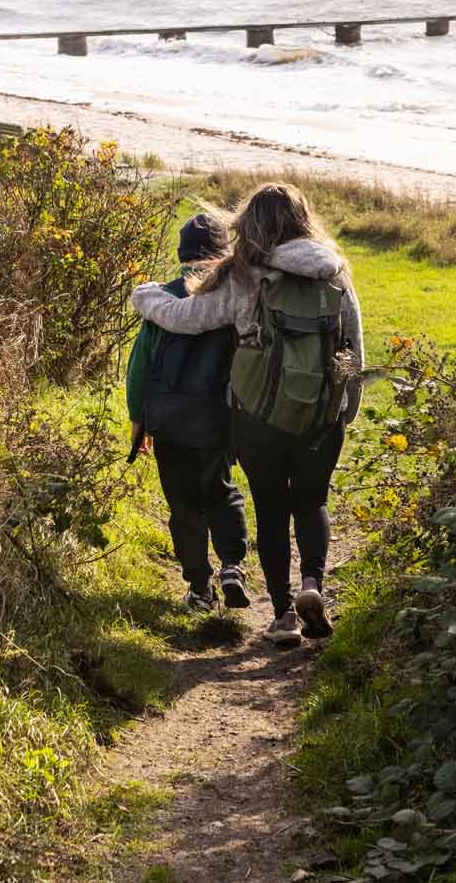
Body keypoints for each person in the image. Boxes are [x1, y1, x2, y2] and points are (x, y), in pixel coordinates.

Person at [129, 183, 364, 648]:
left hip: (257, 417)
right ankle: (312, 584)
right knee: (313, 502)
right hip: (320, 414)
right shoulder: (335, 272)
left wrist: (145, 296)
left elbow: (187, 317)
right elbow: (352, 347)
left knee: (272, 509)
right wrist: (344, 407)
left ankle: (282, 617)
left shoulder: (244, 274)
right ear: (303, 217)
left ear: (252, 223)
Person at [127, 214, 252, 612]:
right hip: (216, 418)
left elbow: (140, 367)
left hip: (168, 420)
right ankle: (232, 565)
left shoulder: (162, 299)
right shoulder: (231, 299)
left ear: (182, 254)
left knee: (182, 503)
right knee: (221, 490)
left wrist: (138, 420)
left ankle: (199, 586)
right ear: (224, 252)